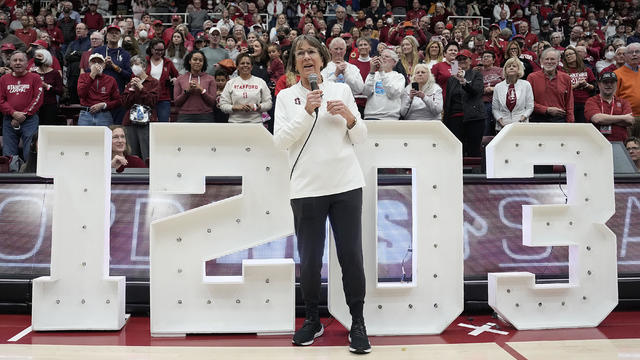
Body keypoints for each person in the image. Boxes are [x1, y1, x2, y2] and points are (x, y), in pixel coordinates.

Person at [273, 34, 370, 355]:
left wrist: (350, 117)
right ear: (294, 63)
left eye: (311, 51)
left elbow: (361, 137)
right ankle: (312, 320)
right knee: (311, 259)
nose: (306, 57)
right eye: (300, 53)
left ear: (322, 58)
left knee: (351, 256)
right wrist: (307, 112)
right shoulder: (287, 97)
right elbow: (281, 142)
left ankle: (358, 322)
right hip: (306, 188)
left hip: (345, 185)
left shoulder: (341, 90)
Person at [0, 51, 43, 162]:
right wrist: (13, 113)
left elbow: (38, 98)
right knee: (8, 153)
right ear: (10, 63)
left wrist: (24, 114)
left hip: (30, 119)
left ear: (27, 63)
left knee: (30, 151)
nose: (18, 63)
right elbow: (1, 100)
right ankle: (10, 177)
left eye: (21, 60)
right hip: (9, 120)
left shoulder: (35, 78)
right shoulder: (3, 79)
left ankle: (29, 176)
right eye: (15, 60)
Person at [442, 49, 485, 157]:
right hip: (455, 118)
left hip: (473, 117)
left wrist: (463, 81)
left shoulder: (476, 74)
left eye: (464, 58)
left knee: (473, 149)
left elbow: (476, 92)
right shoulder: (452, 79)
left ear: (470, 61)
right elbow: (448, 100)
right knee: (456, 150)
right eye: (459, 59)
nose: (461, 61)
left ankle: (475, 173)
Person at [121, 56, 159, 161]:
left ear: (144, 66)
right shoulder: (130, 83)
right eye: (132, 64)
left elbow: (152, 101)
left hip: (146, 123)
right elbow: (125, 104)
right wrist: (132, 89)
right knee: (132, 154)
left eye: (137, 64)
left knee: (147, 153)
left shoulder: (153, 82)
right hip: (130, 122)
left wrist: (141, 88)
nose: (134, 67)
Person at [219, 52, 272, 124]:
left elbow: (269, 103)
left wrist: (257, 106)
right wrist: (235, 107)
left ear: (252, 66)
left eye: (248, 63)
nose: (245, 65)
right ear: (237, 66)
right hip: (235, 123)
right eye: (242, 63)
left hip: (256, 123)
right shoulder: (230, 83)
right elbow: (223, 105)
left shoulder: (260, 82)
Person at [527, 48, 574, 123]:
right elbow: (528, 102)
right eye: (546, 59)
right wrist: (546, 110)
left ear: (558, 61)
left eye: (552, 59)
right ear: (541, 61)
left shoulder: (566, 78)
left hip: (559, 119)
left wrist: (570, 121)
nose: (549, 62)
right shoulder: (532, 77)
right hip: (538, 118)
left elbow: (569, 102)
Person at [584, 71, 634, 143]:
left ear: (616, 84)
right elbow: (597, 119)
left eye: (612, 82)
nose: (609, 85)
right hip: (597, 143)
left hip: (620, 143)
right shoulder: (591, 101)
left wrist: (605, 119)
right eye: (605, 82)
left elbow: (629, 121)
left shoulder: (624, 102)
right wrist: (623, 117)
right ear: (599, 84)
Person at [77, 53, 121, 126]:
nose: (97, 64)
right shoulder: (83, 77)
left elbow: (118, 101)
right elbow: (81, 94)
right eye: (93, 62)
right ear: (89, 65)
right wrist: (92, 75)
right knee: (84, 137)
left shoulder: (111, 80)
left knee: (105, 137)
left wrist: (104, 105)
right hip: (86, 114)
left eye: (100, 62)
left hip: (104, 114)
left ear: (104, 65)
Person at [173, 50, 217, 122]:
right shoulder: (180, 79)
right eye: (195, 59)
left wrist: (201, 90)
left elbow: (212, 102)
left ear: (203, 63)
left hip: (205, 116)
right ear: (189, 61)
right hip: (185, 116)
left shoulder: (210, 79)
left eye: (200, 60)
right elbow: (177, 102)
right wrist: (187, 90)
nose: (197, 62)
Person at [492, 57, 534, 132]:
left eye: (514, 66)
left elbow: (530, 107)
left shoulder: (526, 85)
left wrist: (521, 120)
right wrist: (501, 123)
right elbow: (495, 109)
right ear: (505, 70)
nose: (511, 67)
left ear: (519, 69)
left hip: (521, 126)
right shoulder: (498, 87)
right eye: (509, 66)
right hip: (502, 127)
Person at [363, 49, 405, 119]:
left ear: (394, 62)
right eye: (381, 57)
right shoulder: (373, 74)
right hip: (370, 116)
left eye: (387, 56)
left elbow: (392, 94)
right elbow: (366, 93)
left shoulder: (399, 77)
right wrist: (372, 72)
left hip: (389, 117)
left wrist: (382, 73)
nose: (383, 58)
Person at [146, 39, 179, 122]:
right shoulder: (145, 61)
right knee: (147, 123)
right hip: (147, 98)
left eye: (162, 50)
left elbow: (177, 75)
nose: (160, 52)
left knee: (163, 123)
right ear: (151, 49)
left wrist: (175, 79)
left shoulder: (168, 62)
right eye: (157, 50)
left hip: (163, 98)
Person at [561, 46, 596, 123]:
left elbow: (594, 87)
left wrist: (586, 85)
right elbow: (562, 89)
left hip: (585, 102)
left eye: (570, 54)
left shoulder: (587, 70)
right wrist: (575, 85)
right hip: (569, 104)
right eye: (566, 55)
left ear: (576, 54)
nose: (569, 56)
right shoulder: (562, 71)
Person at [32, 49, 63, 126]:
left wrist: (47, 87)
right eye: (36, 56)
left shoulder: (55, 73)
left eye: (39, 56)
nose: (36, 58)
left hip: (50, 105)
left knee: (48, 127)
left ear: (46, 58)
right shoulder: (33, 73)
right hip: (35, 106)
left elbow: (60, 91)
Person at [614, 42, 640, 117]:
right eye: (631, 52)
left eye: (637, 52)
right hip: (627, 116)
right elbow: (612, 98)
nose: (634, 54)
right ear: (625, 56)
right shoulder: (616, 74)